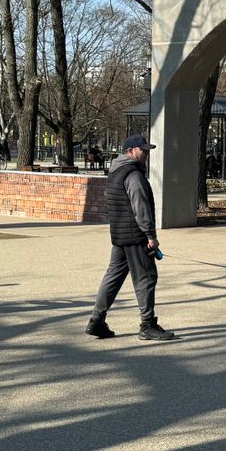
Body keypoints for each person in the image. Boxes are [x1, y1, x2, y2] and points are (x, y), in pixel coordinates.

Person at [86, 135, 175, 341]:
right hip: (135, 235)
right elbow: (140, 207)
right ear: (131, 151)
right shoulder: (134, 175)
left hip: (119, 234)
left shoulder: (115, 171)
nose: (146, 153)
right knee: (146, 278)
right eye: (143, 150)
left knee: (113, 277)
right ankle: (147, 325)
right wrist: (150, 235)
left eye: (147, 150)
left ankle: (96, 320)